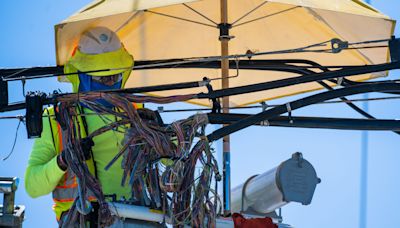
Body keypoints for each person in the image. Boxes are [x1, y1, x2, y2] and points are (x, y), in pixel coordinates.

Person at [24, 27, 141, 226]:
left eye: (115, 76)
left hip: (139, 216)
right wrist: (63, 161)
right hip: (82, 219)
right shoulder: (56, 119)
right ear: (81, 77)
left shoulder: (136, 113)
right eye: (102, 78)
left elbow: (169, 162)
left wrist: (165, 135)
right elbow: (32, 186)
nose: (110, 82)